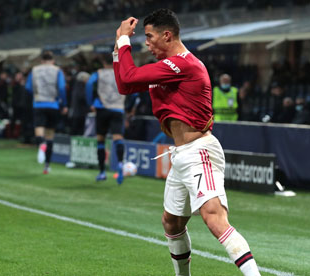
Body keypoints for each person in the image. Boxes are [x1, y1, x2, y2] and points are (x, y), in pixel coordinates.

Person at [113, 9, 260, 276]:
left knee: (214, 218)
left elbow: (129, 77)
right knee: (171, 222)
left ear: (166, 35)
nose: (146, 43)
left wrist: (123, 40)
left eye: (149, 37)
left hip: (199, 149)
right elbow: (125, 84)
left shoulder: (183, 64)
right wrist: (118, 45)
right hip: (182, 153)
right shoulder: (167, 67)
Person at [86, 54, 126, 185]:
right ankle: (120, 163)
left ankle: (102, 172)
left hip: (101, 107)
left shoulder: (99, 73)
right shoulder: (121, 72)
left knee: (100, 140)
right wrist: (127, 105)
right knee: (118, 138)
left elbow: (89, 85)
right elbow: (134, 90)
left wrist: (91, 102)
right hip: (117, 108)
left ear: (103, 62)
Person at [25, 50, 67, 174]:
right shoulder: (57, 70)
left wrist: (37, 94)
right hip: (53, 104)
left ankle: (41, 145)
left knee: (39, 130)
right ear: (52, 60)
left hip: (39, 103)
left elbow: (28, 87)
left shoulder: (35, 70)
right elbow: (61, 87)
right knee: (50, 135)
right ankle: (47, 166)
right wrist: (63, 103)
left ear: (41, 61)